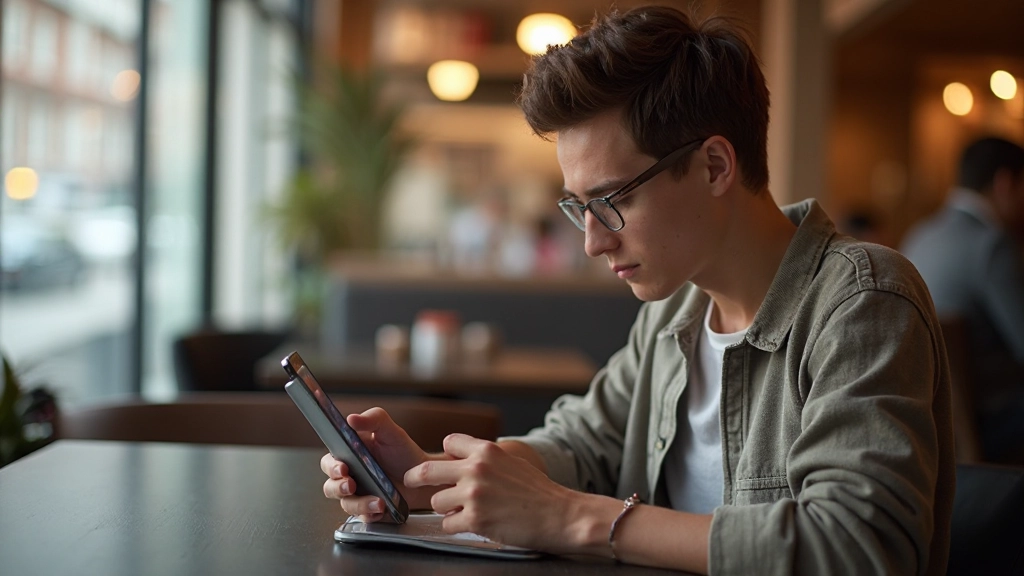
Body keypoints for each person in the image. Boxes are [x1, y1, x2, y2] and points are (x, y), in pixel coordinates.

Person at [319, 6, 955, 574]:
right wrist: (437, 479)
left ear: (714, 166)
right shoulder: (678, 307)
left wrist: (574, 519)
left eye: (612, 200)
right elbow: (585, 441)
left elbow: (856, 547)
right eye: (578, 208)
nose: (594, 242)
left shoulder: (861, 302)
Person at [901, 136, 1024, 463]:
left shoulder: (919, 234)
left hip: (925, 422)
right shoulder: (992, 243)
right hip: (984, 422)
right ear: (1005, 182)